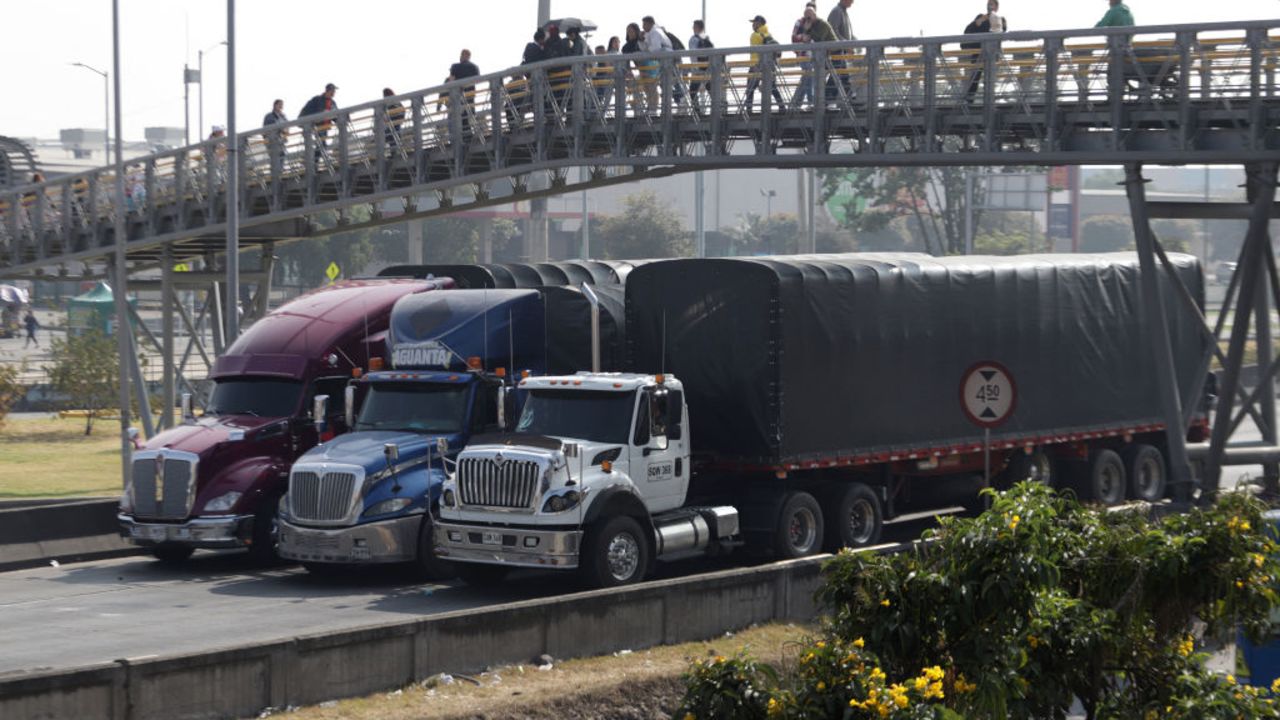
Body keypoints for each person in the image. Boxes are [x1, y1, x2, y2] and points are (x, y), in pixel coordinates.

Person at [963, 0, 1007, 100]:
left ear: (996, 7)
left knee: (990, 78)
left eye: (991, 4)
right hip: (978, 52)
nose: (989, 6)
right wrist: (978, 22)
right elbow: (967, 31)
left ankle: (989, 99)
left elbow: (1002, 32)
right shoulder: (981, 17)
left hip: (992, 53)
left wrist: (995, 21)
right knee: (975, 77)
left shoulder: (1001, 19)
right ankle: (970, 99)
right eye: (988, 4)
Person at [795, 7, 836, 109]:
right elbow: (806, 39)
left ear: (814, 15)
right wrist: (806, 32)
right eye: (805, 18)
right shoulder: (812, 25)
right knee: (817, 80)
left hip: (834, 56)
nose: (807, 20)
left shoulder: (823, 24)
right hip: (823, 57)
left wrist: (808, 31)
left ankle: (821, 103)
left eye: (809, 17)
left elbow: (819, 40)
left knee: (824, 81)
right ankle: (818, 103)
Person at [745, 16, 785, 114]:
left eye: (754, 22)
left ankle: (749, 111)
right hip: (768, 65)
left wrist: (754, 66)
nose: (752, 25)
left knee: (750, 88)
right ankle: (782, 106)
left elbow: (754, 52)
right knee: (772, 87)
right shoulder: (768, 34)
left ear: (759, 23)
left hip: (756, 65)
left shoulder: (754, 35)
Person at [299, 83, 339, 163]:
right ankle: (313, 162)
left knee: (321, 145)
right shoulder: (317, 99)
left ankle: (313, 162)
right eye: (333, 91)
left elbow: (336, 114)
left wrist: (343, 119)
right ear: (329, 91)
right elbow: (307, 111)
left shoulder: (332, 102)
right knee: (321, 144)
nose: (334, 93)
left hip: (325, 126)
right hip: (317, 126)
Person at [623, 22, 655, 113]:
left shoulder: (641, 42)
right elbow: (626, 62)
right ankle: (639, 109)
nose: (630, 33)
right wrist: (629, 72)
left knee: (650, 87)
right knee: (634, 85)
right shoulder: (626, 47)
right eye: (628, 31)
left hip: (651, 67)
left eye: (632, 31)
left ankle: (652, 109)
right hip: (641, 70)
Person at [827, 0, 855, 102]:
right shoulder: (837, 11)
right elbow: (833, 31)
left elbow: (846, 33)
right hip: (836, 50)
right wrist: (846, 44)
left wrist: (851, 44)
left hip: (840, 50)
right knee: (838, 75)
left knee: (842, 75)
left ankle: (850, 99)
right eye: (851, 0)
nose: (852, 2)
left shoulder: (842, 11)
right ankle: (827, 100)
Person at [688, 20, 715, 110]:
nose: (692, 28)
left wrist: (695, 67)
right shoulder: (707, 38)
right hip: (707, 69)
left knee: (692, 91)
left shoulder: (693, 39)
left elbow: (693, 54)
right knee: (712, 91)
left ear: (697, 28)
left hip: (698, 70)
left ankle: (697, 111)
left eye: (694, 26)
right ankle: (718, 109)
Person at [262, 99, 288, 169]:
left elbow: (287, 128)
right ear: (275, 105)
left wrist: (284, 131)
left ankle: (279, 173)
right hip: (272, 141)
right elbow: (269, 128)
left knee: (282, 155)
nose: (281, 107)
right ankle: (276, 174)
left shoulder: (283, 117)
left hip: (281, 141)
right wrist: (281, 129)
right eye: (279, 105)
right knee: (275, 157)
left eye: (282, 105)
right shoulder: (269, 116)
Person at [382, 88, 405, 155]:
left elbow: (384, 113)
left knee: (389, 138)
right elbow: (403, 110)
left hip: (392, 123)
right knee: (395, 138)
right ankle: (395, 153)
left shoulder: (388, 101)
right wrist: (401, 119)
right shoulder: (397, 100)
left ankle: (393, 153)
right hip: (397, 122)